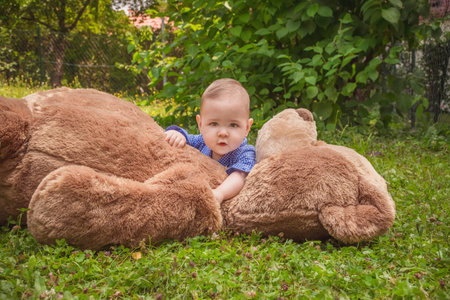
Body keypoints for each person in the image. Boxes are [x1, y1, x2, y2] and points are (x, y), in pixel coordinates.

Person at [164, 78, 255, 205]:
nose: (223, 132)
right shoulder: (202, 142)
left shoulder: (245, 152)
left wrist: (220, 193)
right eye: (214, 124)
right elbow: (186, 138)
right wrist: (177, 134)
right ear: (200, 124)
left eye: (233, 125)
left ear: (247, 128)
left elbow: (240, 176)